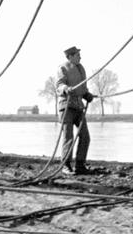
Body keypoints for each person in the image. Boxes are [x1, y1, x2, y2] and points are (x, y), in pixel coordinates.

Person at [56, 46, 94, 175]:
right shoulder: (62, 68)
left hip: (78, 106)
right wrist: (66, 88)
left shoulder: (81, 68)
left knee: (85, 136)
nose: (80, 57)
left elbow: (82, 88)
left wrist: (87, 95)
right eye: (77, 55)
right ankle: (65, 165)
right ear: (70, 57)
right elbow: (59, 85)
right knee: (68, 137)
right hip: (66, 107)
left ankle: (80, 164)